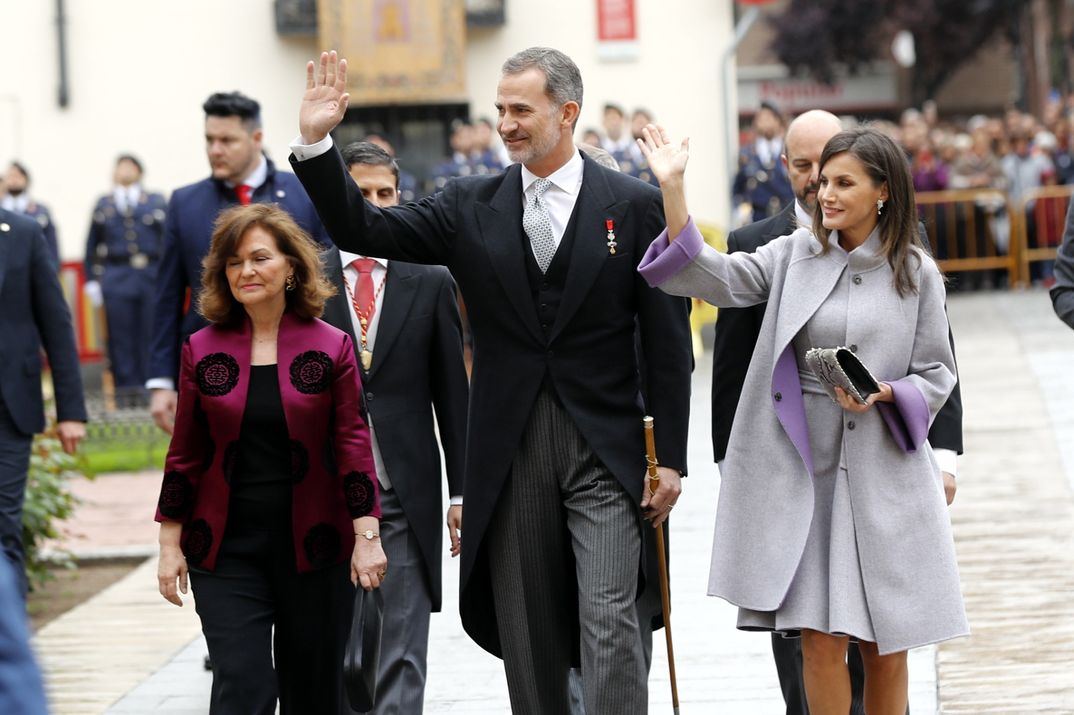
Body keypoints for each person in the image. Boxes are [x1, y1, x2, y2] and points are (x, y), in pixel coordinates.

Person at [292, 48, 692, 714]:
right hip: (509, 450)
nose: (504, 123)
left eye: (519, 110)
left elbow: (667, 339)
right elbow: (363, 226)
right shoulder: (467, 203)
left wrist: (672, 457)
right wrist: (317, 144)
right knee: (529, 632)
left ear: (566, 114)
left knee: (610, 620)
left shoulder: (635, 203)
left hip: (609, 450)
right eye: (499, 108)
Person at [638, 124, 968, 715]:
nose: (826, 195)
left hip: (887, 474)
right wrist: (674, 187)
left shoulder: (917, 273)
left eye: (845, 183)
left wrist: (885, 392)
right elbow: (716, 276)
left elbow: (938, 373)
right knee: (818, 639)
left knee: (885, 645)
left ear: (883, 191)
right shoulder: (791, 253)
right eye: (822, 183)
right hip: (807, 475)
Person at [155, 203, 386, 714]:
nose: (246, 271)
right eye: (233, 263)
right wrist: (169, 542)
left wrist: (367, 537)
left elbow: (352, 444)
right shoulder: (202, 348)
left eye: (259, 258)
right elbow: (186, 450)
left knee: (313, 693)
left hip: (316, 546)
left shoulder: (332, 346)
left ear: (292, 268)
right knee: (243, 683)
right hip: (224, 548)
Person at [321, 141, 469, 714]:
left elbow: (452, 398)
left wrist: (461, 492)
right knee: (341, 648)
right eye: (362, 195)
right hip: (327, 491)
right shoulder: (303, 277)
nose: (376, 205)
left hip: (405, 490)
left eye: (386, 194)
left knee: (403, 646)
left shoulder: (429, 279)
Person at [148, 91, 329, 436]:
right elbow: (167, 296)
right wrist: (161, 379)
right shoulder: (184, 203)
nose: (215, 149)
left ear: (256, 138)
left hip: (297, 361)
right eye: (209, 140)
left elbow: (325, 279)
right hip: (211, 366)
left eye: (227, 140)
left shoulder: (304, 192)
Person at [0, 208, 86, 598]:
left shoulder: (22, 232)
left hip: (8, 406)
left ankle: (10, 645)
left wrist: (70, 410)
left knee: (3, 527)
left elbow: (55, 321)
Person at [83, 154, 168, 407]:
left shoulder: (155, 200)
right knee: (120, 337)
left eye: (131, 166)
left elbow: (167, 242)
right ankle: (125, 394)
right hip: (116, 276)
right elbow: (91, 246)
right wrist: (92, 280)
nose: (125, 171)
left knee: (150, 333)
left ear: (140, 172)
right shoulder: (104, 204)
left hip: (149, 275)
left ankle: (150, 390)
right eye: (121, 166)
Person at [732, 101, 794, 226]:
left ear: (778, 120)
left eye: (768, 118)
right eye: (760, 118)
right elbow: (738, 188)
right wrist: (740, 210)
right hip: (758, 218)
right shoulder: (747, 154)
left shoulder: (790, 149)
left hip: (787, 217)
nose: (764, 122)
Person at [1, 162, 59, 265]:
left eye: (18, 176)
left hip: (32, 266)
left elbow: (51, 244)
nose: (14, 180)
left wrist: (54, 268)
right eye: (10, 176)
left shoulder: (40, 211)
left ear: (26, 179)